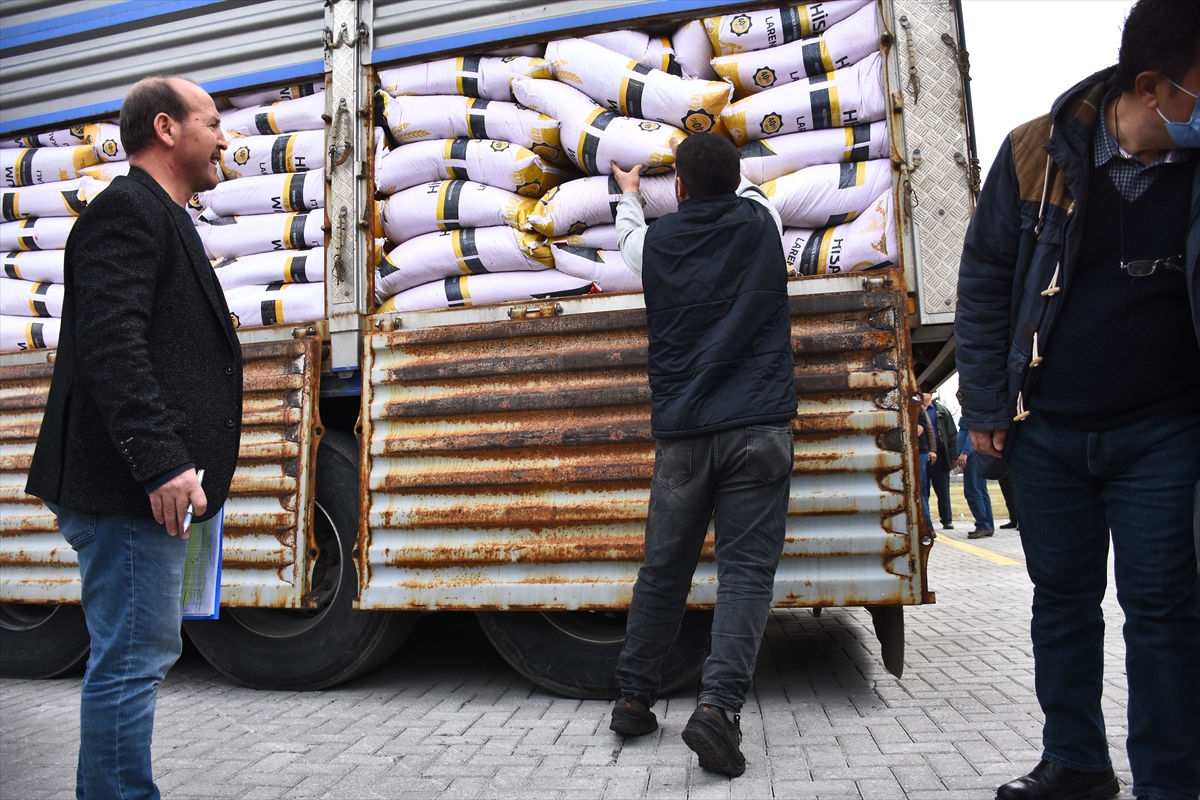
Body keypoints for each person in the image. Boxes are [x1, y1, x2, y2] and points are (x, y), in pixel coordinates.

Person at [954, 1, 1200, 797]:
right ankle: (1077, 764)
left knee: (1164, 611)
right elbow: (986, 282)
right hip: (1049, 428)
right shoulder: (1037, 152)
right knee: (1062, 604)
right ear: (1151, 85)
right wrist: (986, 411)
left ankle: (1170, 778)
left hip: (1165, 430)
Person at [25, 75, 242, 800]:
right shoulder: (126, 213)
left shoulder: (165, 215)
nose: (223, 139)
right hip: (128, 491)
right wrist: (161, 463)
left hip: (146, 490)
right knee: (130, 659)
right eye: (211, 123)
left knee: (139, 653)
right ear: (167, 128)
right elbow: (112, 347)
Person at [606, 134, 796, 778]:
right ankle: (717, 711)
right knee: (744, 574)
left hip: (684, 433)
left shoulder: (658, 243)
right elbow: (752, 196)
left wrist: (630, 194)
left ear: (679, 189)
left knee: (664, 568)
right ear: (738, 179)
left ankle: (634, 698)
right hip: (759, 427)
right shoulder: (762, 223)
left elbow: (629, 242)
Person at [923, 393, 958, 530]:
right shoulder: (915, 409)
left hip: (940, 455)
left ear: (931, 394)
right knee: (923, 489)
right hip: (921, 454)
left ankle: (946, 519)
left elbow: (952, 433)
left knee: (943, 489)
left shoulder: (941, 411)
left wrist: (954, 455)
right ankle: (925, 520)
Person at [955, 416, 993, 539]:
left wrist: (965, 452)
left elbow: (972, 432)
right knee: (981, 490)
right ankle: (988, 525)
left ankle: (983, 525)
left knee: (973, 491)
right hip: (977, 453)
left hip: (972, 455)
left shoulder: (971, 410)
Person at [917, 398, 936, 530]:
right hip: (918, 451)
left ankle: (927, 525)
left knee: (919, 490)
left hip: (919, 451)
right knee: (920, 490)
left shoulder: (917, 406)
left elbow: (923, 428)